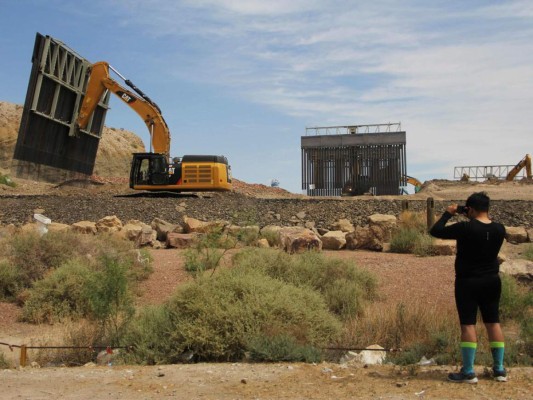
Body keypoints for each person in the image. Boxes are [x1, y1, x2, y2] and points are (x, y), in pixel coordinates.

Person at [429, 191, 507, 383]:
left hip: (468, 282)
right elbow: (485, 229)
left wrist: (449, 213)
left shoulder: (465, 228)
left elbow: (435, 230)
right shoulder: (500, 229)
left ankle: (469, 371)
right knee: (493, 322)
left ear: (469, 209)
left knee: (468, 324)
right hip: (492, 281)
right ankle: (499, 369)